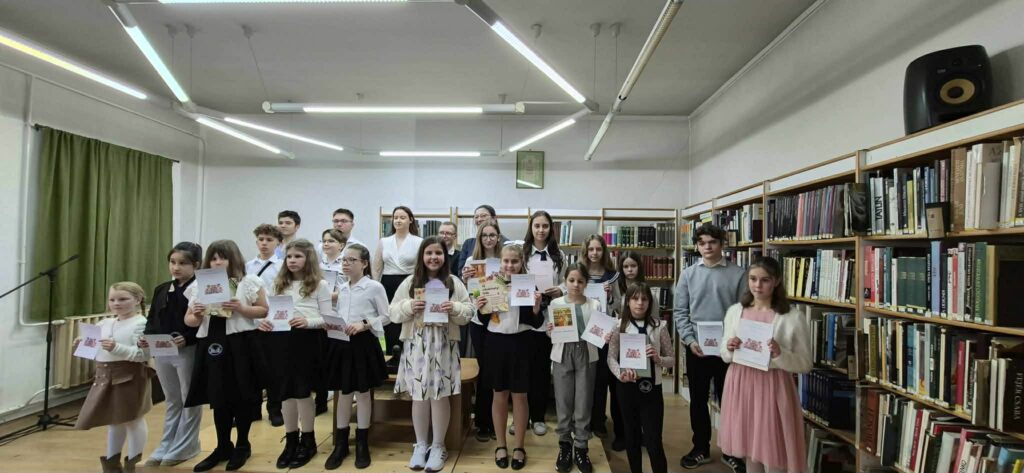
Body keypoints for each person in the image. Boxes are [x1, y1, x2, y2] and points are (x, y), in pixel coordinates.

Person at [388, 237, 473, 473]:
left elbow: (469, 312)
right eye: (429, 253)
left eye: (438, 253)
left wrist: (454, 308)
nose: (434, 257)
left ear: (445, 256)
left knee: (439, 396)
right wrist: (409, 306)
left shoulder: (454, 282)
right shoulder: (410, 282)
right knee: (419, 396)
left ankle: (438, 446)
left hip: (444, 346)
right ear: (421, 256)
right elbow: (392, 312)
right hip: (416, 345)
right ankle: (420, 444)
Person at [183, 240, 269, 472]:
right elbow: (189, 320)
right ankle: (222, 446)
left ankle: (242, 444)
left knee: (242, 394)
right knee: (217, 395)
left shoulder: (248, 281)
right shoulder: (199, 285)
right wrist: (196, 314)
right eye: (213, 258)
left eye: (223, 257)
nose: (218, 262)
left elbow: (263, 309)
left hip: (240, 342)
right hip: (211, 343)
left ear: (234, 259)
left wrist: (241, 308)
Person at [720, 257, 811, 473]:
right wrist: (730, 347)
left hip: (772, 386)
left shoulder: (792, 318)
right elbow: (724, 352)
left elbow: (805, 363)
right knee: (750, 450)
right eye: (753, 279)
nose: (757, 286)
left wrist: (780, 354)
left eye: (765, 280)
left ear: (776, 281)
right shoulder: (735, 311)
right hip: (740, 384)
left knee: (774, 453)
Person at [673, 223, 746, 472]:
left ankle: (732, 451)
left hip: (729, 349)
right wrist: (689, 340)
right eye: (702, 243)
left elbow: (744, 312)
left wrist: (734, 340)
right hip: (697, 348)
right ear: (696, 246)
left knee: (730, 402)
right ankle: (700, 448)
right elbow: (680, 312)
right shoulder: (688, 275)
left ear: (722, 244)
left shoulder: (739, 274)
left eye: (712, 242)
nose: (707, 247)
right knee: (698, 400)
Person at [258, 239, 332, 470]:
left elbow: (328, 318)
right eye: (289, 256)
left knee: (302, 393)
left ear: (308, 259)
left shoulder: (320, 284)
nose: (292, 260)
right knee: (285, 394)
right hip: (281, 341)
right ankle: (291, 440)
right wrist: (265, 322)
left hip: (306, 341)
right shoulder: (278, 284)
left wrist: (308, 321)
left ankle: (308, 440)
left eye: (298, 256)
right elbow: (272, 313)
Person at [323, 243, 389, 470]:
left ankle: (362, 442)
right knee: (343, 393)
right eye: (344, 260)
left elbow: (387, 316)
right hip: (341, 343)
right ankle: (341, 444)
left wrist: (364, 324)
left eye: (352, 260)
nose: (346, 264)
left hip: (363, 344)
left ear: (364, 263)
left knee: (362, 393)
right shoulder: (342, 288)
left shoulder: (374, 287)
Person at [477, 244, 544, 470]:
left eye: (514, 261)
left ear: (521, 262)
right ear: (500, 262)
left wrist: (536, 308)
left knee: (520, 396)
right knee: (499, 394)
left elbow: (535, 322)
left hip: (522, 343)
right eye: (506, 261)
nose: (510, 265)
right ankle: (501, 445)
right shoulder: (491, 283)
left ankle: (519, 447)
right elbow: (483, 320)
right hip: (496, 343)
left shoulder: (528, 284)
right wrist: (481, 307)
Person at [75, 282, 152, 473]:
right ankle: (112, 463)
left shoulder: (141, 324)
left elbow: (143, 355)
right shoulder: (104, 323)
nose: (116, 303)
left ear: (137, 300)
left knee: (133, 419)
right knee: (114, 420)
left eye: (123, 299)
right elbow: (96, 351)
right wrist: (82, 344)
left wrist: (116, 347)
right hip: (105, 375)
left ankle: (134, 464)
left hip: (129, 375)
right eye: (112, 300)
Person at [143, 242, 203, 467]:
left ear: (196, 265)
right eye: (172, 262)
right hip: (162, 349)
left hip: (188, 349)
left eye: (183, 263)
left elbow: (205, 321)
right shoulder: (162, 289)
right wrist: (146, 337)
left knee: (189, 398)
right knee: (172, 399)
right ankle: (167, 443)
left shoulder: (200, 288)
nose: (176, 267)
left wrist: (187, 338)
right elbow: (152, 318)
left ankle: (187, 444)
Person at [607, 282, 674, 473]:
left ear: (650, 302)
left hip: (652, 391)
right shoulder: (618, 326)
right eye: (635, 299)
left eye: (644, 299)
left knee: (653, 440)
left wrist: (658, 359)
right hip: (627, 388)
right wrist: (620, 374)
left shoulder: (660, 326)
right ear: (627, 302)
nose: (639, 303)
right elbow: (611, 358)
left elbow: (671, 360)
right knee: (632, 437)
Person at [546, 262, 603, 473]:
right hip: (563, 354)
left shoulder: (594, 305)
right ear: (565, 281)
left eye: (580, 281)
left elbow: (599, 332)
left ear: (586, 283)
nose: (576, 285)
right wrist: (550, 330)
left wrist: (604, 333)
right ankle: (564, 445)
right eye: (571, 280)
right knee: (563, 401)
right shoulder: (556, 303)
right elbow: (550, 332)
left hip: (586, 354)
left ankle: (581, 446)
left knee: (583, 401)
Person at [520, 210, 565, 437]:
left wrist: (560, 289)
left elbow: (567, 281)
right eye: (537, 226)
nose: (541, 230)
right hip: (524, 319)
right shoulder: (522, 252)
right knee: (522, 371)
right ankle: (521, 417)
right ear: (531, 228)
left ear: (551, 229)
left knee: (540, 371)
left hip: (548, 320)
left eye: (545, 226)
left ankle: (538, 417)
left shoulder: (559, 255)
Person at [580, 235, 623, 449]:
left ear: (604, 251)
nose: (595, 253)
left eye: (598, 249)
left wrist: (610, 296)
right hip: (582, 329)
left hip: (603, 331)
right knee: (584, 377)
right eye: (591, 249)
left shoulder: (611, 276)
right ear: (586, 251)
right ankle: (583, 420)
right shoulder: (580, 273)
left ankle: (598, 420)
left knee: (600, 379)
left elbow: (618, 306)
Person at [462, 220, 503, 441]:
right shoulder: (471, 261)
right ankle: (482, 422)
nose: (488, 239)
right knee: (484, 370)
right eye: (485, 235)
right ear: (479, 238)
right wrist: (466, 279)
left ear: (498, 237)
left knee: (496, 371)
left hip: (500, 320)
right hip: (479, 321)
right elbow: (470, 293)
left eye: (492, 235)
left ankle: (495, 422)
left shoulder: (504, 259)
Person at [246, 224, 285, 426]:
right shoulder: (247, 266)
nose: (264, 243)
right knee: (252, 369)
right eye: (261, 239)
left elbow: (283, 296)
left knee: (274, 369)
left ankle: (274, 409)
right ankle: (253, 409)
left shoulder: (282, 267)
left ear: (278, 243)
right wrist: (256, 320)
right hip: (252, 323)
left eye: (269, 240)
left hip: (274, 323)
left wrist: (270, 319)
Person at [373, 206, 423, 361]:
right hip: (387, 284)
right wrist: (374, 288)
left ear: (410, 220)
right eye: (395, 217)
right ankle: (392, 356)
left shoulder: (419, 241)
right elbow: (376, 268)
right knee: (390, 320)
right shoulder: (384, 241)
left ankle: (411, 357)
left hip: (409, 283)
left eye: (402, 217)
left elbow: (421, 268)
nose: (398, 220)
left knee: (408, 319)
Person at [456, 205, 506, 276]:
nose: (479, 219)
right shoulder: (469, 247)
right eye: (476, 217)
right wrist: (465, 277)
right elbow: (461, 273)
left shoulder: (506, 245)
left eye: (483, 216)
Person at [611, 251, 646, 318]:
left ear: (639, 267)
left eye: (633, 266)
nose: (630, 270)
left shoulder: (646, 289)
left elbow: (654, 318)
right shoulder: (616, 287)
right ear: (621, 269)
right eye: (626, 266)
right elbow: (612, 309)